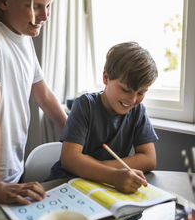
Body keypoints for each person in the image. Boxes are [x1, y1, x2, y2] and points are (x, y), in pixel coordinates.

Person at [0, 0, 67, 205]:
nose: (45, 15)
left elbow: (44, 95)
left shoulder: (23, 40)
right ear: (3, 1)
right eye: (37, 6)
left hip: (11, 170)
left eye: (48, 6)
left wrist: (73, 135)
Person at [49, 42, 158, 194]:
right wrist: (112, 175)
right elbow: (70, 159)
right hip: (68, 182)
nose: (133, 100)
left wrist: (100, 167)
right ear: (106, 77)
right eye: (126, 89)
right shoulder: (85, 105)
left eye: (140, 93)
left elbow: (149, 159)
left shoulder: (137, 111)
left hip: (103, 186)